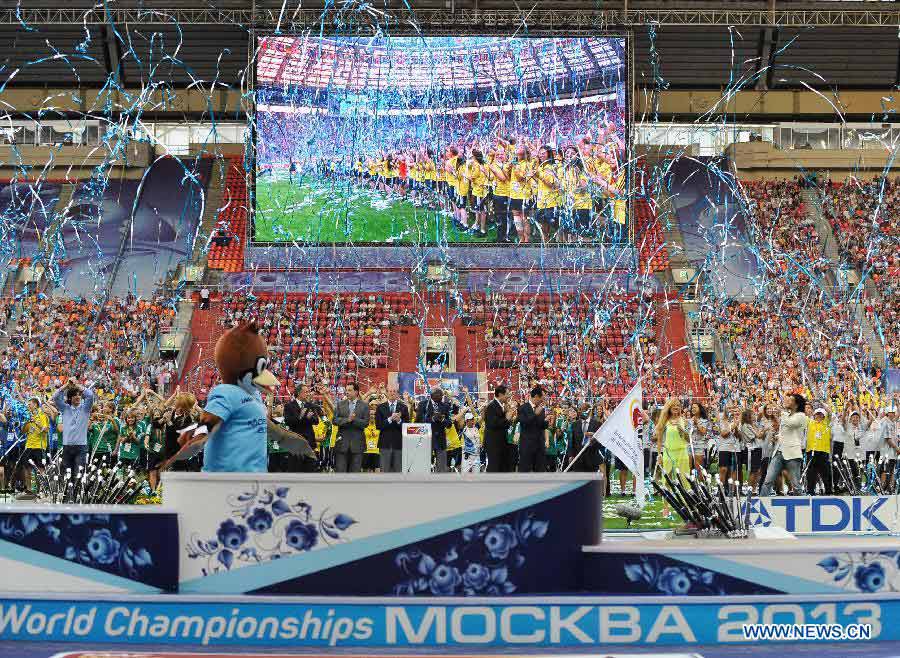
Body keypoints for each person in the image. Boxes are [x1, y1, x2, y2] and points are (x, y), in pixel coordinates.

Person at [760, 393, 808, 496]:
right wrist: (777, 437)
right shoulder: (787, 415)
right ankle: (761, 502)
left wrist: (781, 412)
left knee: (795, 484)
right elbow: (786, 432)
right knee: (768, 480)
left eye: (790, 400)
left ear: (796, 404)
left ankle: (802, 506)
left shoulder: (801, 416)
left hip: (792, 453)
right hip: (779, 452)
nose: (787, 401)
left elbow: (791, 424)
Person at [52, 377, 96, 474]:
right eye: (75, 395)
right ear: (70, 398)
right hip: (67, 446)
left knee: (78, 474)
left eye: (79, 395)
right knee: (67, 475)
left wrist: (76, 385)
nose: (78, 397)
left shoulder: (85, 409)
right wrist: (67, 385)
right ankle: (68, 490)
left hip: (81, 446)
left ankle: (77, 489)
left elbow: (90, 396)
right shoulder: (65, 408)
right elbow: (55, 397)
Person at [333, 382, 369, 473]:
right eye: (346, 390)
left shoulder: (364, 406)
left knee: (355, 474)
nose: (347, 392)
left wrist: (354, 419)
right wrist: (347, 420)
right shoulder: (340, 404)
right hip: (342, 444)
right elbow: (335, 420)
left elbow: (366, 423)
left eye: (349, 390)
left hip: (357, 445)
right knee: (340, 472)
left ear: (356, 392)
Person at [417, 387, 453, 473]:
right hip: (426, 439)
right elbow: (418, 422)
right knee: (424, 467)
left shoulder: (445, 406)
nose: (442, 396)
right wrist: (432, 419)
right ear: (433, 395)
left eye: (442, 395)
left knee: (441, 469)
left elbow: (449, 425)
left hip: (440, 441)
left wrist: (442, 419)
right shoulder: (423, 404)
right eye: (440, 394)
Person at [375, 385, 409, 473]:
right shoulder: (380, 407)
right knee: (384, 471)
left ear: (397, 394)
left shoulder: (404, 408)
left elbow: (407, 427)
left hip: (399, 444)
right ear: (386, 393)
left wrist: (399, 420)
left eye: (394, 391)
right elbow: (378, 425)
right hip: (385, 444)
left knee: (398, 471)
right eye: (390, 391)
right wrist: (390, 419)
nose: (392, 393)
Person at [517, 386, 549, 472]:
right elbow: (524, 423)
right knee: (525, 471)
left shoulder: (541, 409)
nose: (543, 400)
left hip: (539, 446)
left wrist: (546, 421)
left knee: (540, 471)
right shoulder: (523, 408)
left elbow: (541, 426)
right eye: (542, 398)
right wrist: (535, 414)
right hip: (527, 446)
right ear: (536, 397)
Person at [484, 384, 515, 472]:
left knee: (502, 467)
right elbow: (493, 424)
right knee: (494, 468)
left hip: (501, 443)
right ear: (500, 394)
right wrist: (507, 418)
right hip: (494, 444)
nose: (509, 396)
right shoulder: (492, 406)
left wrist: (508, 417)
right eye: (507, 394)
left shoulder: (501, 406)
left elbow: (504, 425)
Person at [806, 407, 833, 495]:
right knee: (811, 473)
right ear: (814, 415)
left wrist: (822, 403)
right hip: (812, 451)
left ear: (823, 416)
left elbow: (829, 412)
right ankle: (810, 491)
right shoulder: (810, 422)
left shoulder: (827, 423)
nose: (819, 416)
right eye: (817, 414)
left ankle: (828, 490)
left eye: (821, 414)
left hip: (823, 451)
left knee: (825, 473)